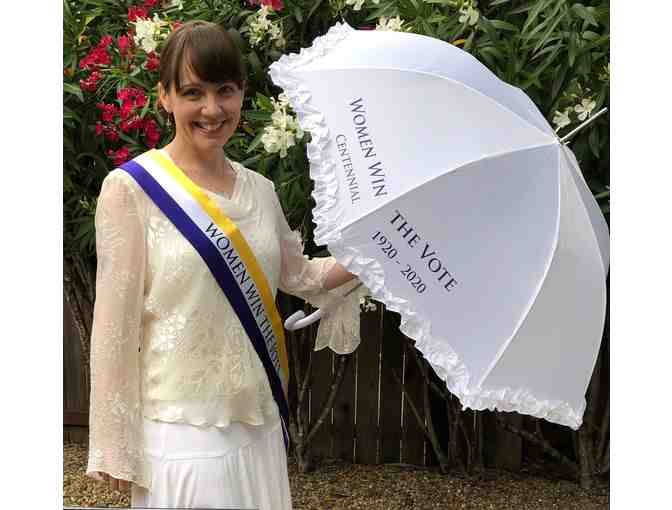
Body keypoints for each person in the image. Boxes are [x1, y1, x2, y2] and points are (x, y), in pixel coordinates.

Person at [86, 20, 363, 509]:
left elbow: (300, 277)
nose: (212, 109)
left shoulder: (260, 190)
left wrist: (375, 254)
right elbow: (113, 330)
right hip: (180, 436)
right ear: (165, 97)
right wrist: (115, 445)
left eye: (225, 91)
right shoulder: (132, 190)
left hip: (257, 430)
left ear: (241, 95)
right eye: (193, 92)